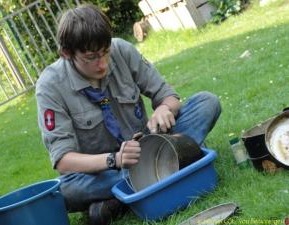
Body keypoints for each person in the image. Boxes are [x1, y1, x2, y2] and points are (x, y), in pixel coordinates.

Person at [36, 3, 221, 225]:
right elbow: (64, 161)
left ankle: (120, 197)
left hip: (148, 146)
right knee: (62, 192)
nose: (102, 64)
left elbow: (169, 97)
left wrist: (164, 109)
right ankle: (171, 164)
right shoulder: (50, 86)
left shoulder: (122, 49)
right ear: (67, 54)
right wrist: (115, 160)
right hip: (104, 169)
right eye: (91, 57)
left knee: (206, 103)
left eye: (105, 52)